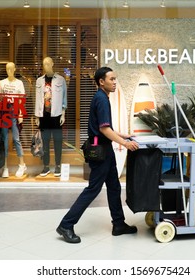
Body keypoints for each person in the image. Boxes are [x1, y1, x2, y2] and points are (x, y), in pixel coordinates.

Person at [56, 67, 139, 244]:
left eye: (115, 79)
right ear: (101, 82)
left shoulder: (102, 97)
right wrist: (124, 143)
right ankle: (66, 224)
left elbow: (105, 128)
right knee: (93, 189)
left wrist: (121, 135)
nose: (115, 82)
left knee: (114, 186)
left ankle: (118, 224)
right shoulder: (101, 99)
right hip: (100, 150)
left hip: (104, 148)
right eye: (111, 79)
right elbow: (103, 129)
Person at [35, 57, 67, 177]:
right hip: (43, 115)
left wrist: (63, 113)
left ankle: (58, 165)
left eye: (48, 63)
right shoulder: (39, 81)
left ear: (52, 64)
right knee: (45, 141)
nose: (46, 66)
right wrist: (37, 116)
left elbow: (64, 97)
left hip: (56, 114)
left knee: (58, 141)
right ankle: (46, 166)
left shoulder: (60, 80)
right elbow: (37, 99)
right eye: (44, 64)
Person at [0, 62, 27, 178]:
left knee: (16, 138)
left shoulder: (19, 83)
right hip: (4, 110)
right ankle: (5, 166)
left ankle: (22, 164)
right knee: (4, 138)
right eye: (7, 69)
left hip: (14, 110)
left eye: (11, 69)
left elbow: (21, 101)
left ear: (14, 69)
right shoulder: (1, 83)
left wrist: (20, 114)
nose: (9, 71)